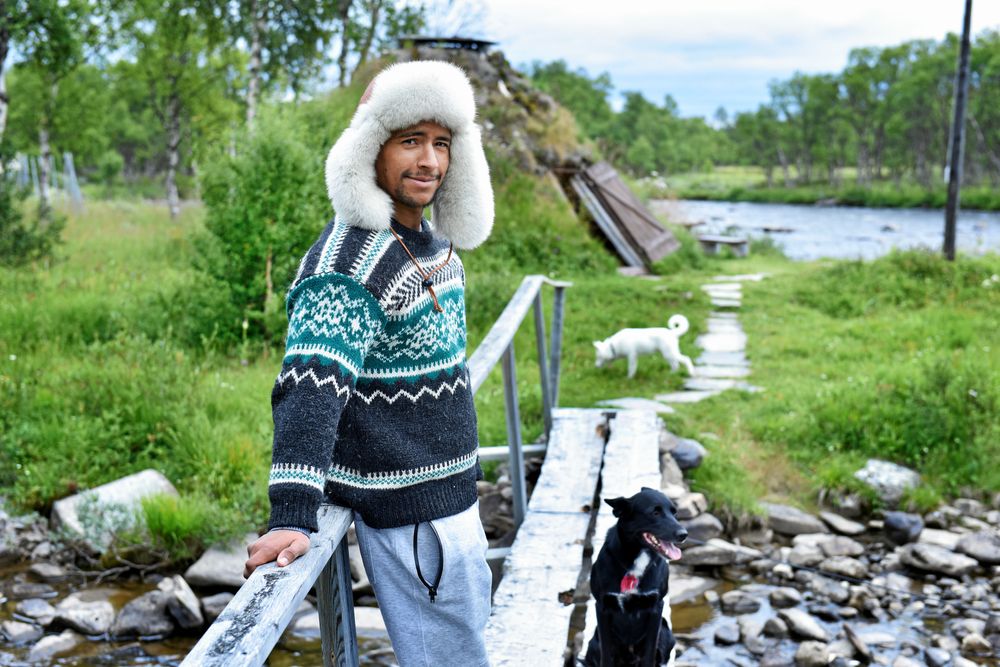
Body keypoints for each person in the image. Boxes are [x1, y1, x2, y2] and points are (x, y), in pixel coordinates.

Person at [243, 60, 495, 666]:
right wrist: (293, 516)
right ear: (370, 149)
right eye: (410, 141)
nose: (429, 161)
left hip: (454, 501)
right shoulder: (347, 262)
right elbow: (310, 388)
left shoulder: (428, 241)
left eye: (441, 143)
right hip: (412, 523)